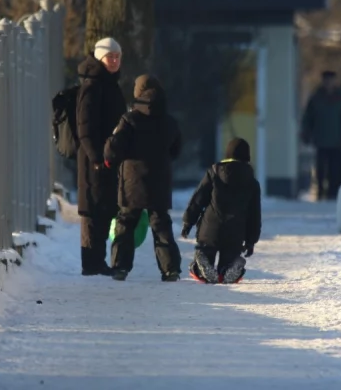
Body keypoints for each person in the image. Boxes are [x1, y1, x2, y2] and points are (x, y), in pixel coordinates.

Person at [103, 74, 183, 282]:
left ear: (137, 94)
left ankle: (120, 267)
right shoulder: (169, 121)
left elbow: (114, 147)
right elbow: (176, 149)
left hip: (132, 182)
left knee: (126, 223)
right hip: (160, 181)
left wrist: (110, 159)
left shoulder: (129, 120)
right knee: (161, 224)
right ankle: (170, 269)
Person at [76, 37, 127, 276]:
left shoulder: (109, 83)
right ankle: (91, 263)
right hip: (94, 161)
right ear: (99, 57)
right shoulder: (93, 85)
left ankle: (97, 261)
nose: (115, 61)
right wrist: (97, 158)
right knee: (93, 211)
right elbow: (84, 127)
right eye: (110, 56)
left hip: (107, 159)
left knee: (105, 208)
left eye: (117, 56)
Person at [181, 138, 262, 284]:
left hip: (210, 228)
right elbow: (254, 215)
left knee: (205, 252)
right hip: (235, 232)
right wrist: (251, 241)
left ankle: (202, 264)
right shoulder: (252, 182)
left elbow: (198, 199)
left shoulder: (214, 173)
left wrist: (188, 222)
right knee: (229, 260)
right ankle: (230, 268)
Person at [300, 70, 341, 200]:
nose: (328, 83)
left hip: (338, 140)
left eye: (331, 80)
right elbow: (308, 117)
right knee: (320, 169)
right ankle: (320, 191)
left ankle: (332, 193)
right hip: (320, 139)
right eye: (326, 80)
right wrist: (306, 132)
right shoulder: (316, 98)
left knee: (335, 168)